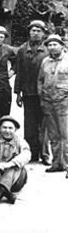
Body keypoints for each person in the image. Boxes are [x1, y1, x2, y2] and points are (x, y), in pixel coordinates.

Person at [14, 20, 51, 165]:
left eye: (39, 30)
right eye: (33, 30)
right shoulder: (22, 49)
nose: (35, 33)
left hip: (44, 93)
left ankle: (45, 155)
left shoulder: (49, 49)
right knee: (29, 124)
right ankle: (32, 153)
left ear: (43, 33)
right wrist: (17, 93)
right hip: (28, 92)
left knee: (44, 125)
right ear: (29, 32)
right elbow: (19, 72)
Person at [37, 34, 68, 174]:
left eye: (55, 44)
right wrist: (41, 96)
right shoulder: (45, 62)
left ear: (62, 46)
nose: (51, 47)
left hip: (64, 102)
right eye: (49, 45)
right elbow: (40, 80)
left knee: (66, 134)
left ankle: (67, 165)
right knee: (53, 135)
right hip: (48, 102)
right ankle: (57, 164)